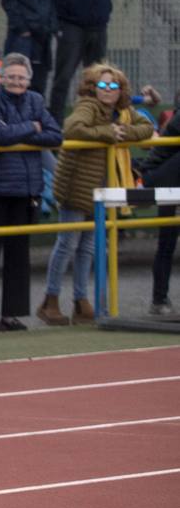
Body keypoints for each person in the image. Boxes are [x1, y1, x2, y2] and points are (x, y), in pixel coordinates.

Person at [39, 64, 153, 325]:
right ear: (93, 87)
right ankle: (50, 300)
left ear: (120, 89)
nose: (108, 90)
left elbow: (146, 126)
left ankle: (81, 301)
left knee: (88, 246)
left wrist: (122, 132)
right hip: (76, 184)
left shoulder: (123, 112)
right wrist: (107, 133)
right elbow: (72, 127)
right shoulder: (87, 106)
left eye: (113, 86)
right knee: (67, 243)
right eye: (102, 85)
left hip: (100, 188)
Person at [0, 54, 61, 331]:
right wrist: (31, 127)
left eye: (21, 77)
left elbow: (55, 134)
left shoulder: (35, 100)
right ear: (1, 77)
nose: (16, 81)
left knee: (18, 256)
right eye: (11, 76)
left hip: (25, 190)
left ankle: (12, 314)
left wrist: (21, 132)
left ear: (29, 80)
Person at [137, 95, 180, 316]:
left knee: (168, 240)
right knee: (167, 239)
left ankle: (159, 299)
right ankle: (159, 299)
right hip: (158, 177)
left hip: (172, 180)